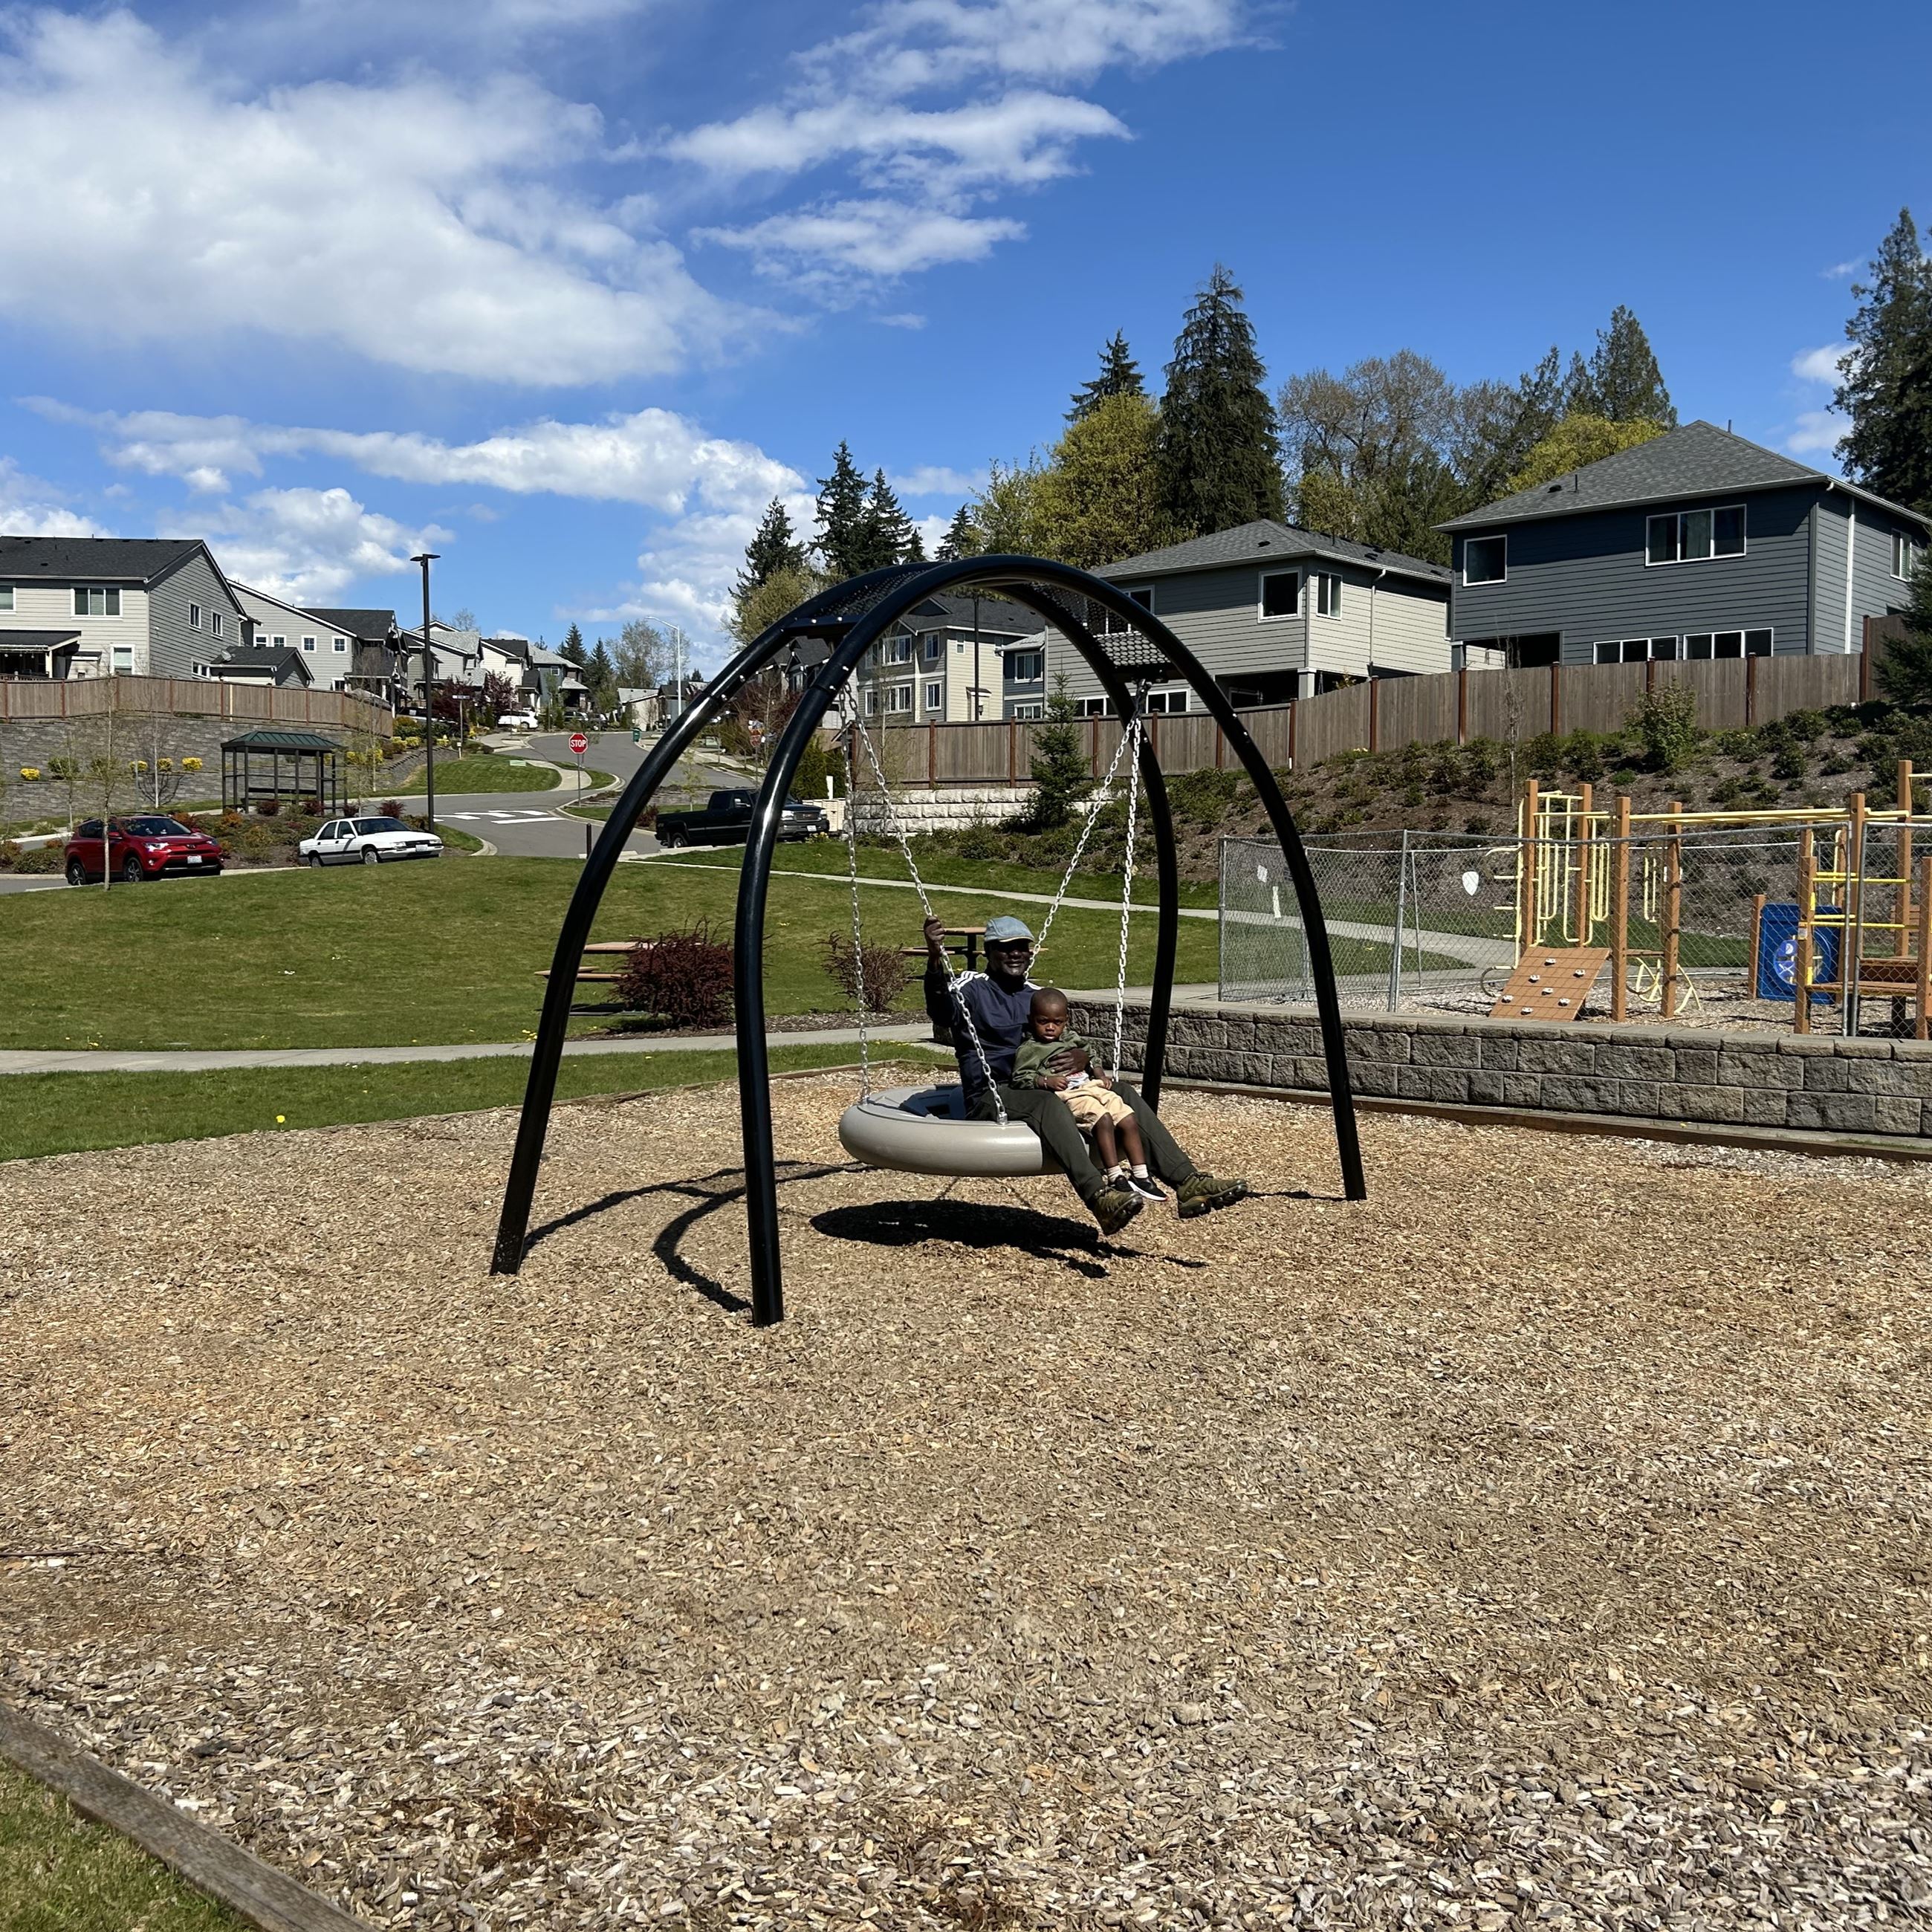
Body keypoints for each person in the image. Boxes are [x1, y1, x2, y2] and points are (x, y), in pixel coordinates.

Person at [923, 912, 1248, 1236]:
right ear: (988, 952)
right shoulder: (972, 988)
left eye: (1022, 947)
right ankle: (1099, 1197)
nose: (1015, 954)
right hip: (993, 1092)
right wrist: (936, 958)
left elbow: (1067, 1039)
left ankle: (1187, 1181)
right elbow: (940, 1010)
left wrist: (1082, 1057)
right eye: (1006, 948)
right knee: (1045, 1104)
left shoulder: (1037, 996)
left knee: (1122, 1092)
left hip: (1051, 1085)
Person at [1011, 988, 1163, 1202]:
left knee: (1128, 1118)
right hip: (1069, 1094)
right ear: (1031, 1019)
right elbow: (1020, 1077)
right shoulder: (1031, 1049)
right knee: (1104, 1119)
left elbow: (1091, 1054)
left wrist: (1100, 1073)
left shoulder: (1071, 1038)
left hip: (1092, 1086)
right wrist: (1045, 1081)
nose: (1050, 1027)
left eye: (1057, 1022)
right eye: (1043, 1021)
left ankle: (1141, 1175)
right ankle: (1114, 1175)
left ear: (1066, 1021)